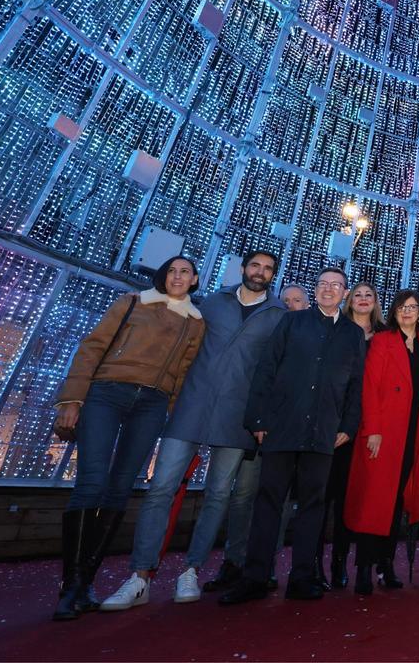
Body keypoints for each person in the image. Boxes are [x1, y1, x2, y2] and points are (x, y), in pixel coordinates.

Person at [101, 251, 286, 611]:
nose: (260, 272)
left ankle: (192, 570)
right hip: (190, 407)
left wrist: (262, 419)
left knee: (218, 494)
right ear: (244, 269)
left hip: (238, 417)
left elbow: (274, 372)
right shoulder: (211, 303)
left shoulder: (279, 316)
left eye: (267, 268)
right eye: (255, 265)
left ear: (273, 274)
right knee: (160, 489)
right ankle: (140, 575)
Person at [50, 256, 206, 621]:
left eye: (185, 272)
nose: (178, 276)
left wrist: (167, 408)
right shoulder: (132, 302)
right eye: (172, 270)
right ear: (161, 275)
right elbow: (93, 347)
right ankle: (71, 585)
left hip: (151, 403)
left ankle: (86, 581)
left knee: (121, 487)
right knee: (91, 482)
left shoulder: (196, 322)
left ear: (195, 279)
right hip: (107, 392)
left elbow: (183, 372)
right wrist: (72, 399)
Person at [219, 267, 366, 604]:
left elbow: (356, 384)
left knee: (313, 505)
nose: (329, 290)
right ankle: (255, 576)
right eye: (323, 284)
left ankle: (302, 576)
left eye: (336, 286)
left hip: (325, 431)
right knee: (269, 502)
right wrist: (258, 418)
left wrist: (348, 426)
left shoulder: (352, 334)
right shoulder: (291, 322)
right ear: (315, 291)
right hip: (282, 425)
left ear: (344, 294)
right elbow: (266, 369)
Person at [205, 279, 307, 596]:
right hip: (257, 432)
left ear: (306, 306)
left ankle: (266, 566)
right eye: (285, 300)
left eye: (297, 301)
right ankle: (234, 562)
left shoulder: (309, 341)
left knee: (277, 502)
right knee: (243, 498)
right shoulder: (267, 337)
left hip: (288, 435)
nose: (290, 305)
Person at [345, 289, 419, 595]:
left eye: (413, 307)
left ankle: (386, 563)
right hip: (383, 433)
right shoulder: (382, 341)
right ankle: (365, 569)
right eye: (401, 308)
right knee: (375, 501)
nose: (407, 312)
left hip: (411, 433)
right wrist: (373, 430)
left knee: (396, 502)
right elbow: (369, 387)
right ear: (394, 313)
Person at [319, 283, 387, 590]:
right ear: (349, 299)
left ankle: (351, 563)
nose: (362, 299)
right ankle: (322, 563)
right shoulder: (337, 328)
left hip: (372, 429)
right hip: (337, 425)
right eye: (357, 294)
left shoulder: (386, 335)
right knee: (327, 496)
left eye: (368, 295)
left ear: (376, 302)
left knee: (357, 498)